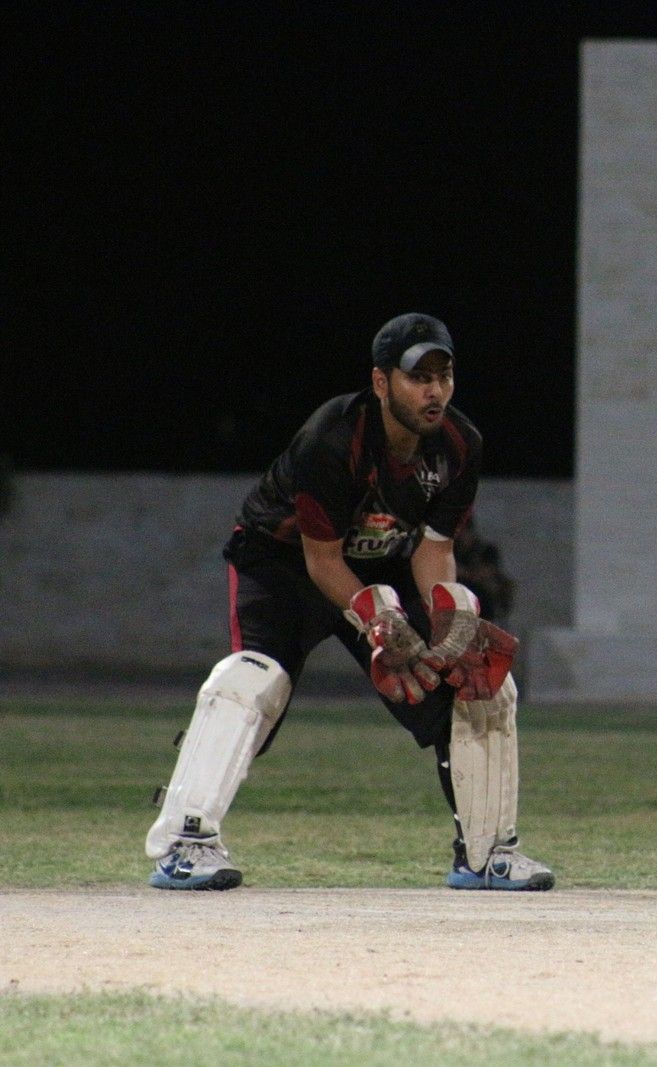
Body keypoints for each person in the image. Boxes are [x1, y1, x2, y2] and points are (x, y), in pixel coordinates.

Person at [145, 313, 553, 893]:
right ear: (382, 382)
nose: (434, 391)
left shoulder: (460, 446)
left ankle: (487, 856)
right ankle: (185, 843)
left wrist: (449, 616)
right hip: (283, 564)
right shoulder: (334, 438)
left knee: (479, 686)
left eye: (443, 376)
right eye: (418, 377)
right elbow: (322, 561)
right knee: (251, 681)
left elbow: (435, 548)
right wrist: (382, 620)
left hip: (383, 563)